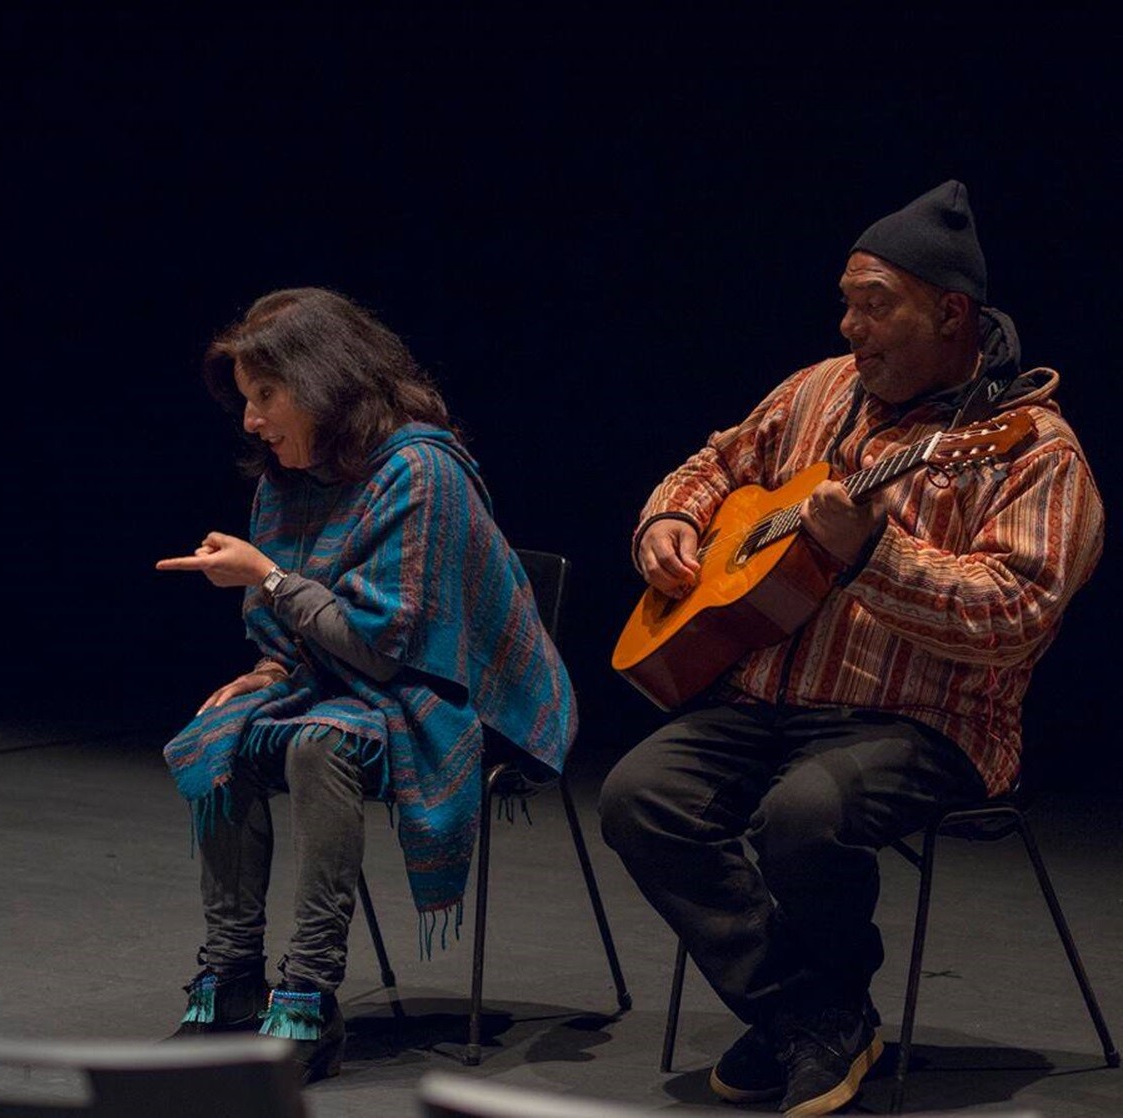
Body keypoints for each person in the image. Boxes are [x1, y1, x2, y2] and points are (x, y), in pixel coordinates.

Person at [598, 182, 1103, 1117]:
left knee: (806, 812)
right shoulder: (819, 390)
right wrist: (669, 520)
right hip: (764, 705)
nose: (849, 326)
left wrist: (870, 552)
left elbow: (1013, 617)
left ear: (950, 312)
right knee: (639, 798)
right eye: (846, 301)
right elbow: (715, 466)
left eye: (875, 304)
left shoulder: (1032, 450)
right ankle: (811, 1017)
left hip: (930, 723)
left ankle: (805, 1022)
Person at [155, 287, 576, 1084]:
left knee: (319, 745)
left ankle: (308, 997)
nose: (252, 420)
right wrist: (268, 669)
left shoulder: (421, 471)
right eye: (247, 400)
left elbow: (387, 652)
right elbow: (297, 630)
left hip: (448, 692)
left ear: (322, 381)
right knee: (219, 736)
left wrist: (268, 577)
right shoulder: (290, 474)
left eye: (266, 397)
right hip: (341, 682)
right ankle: (235, 981)